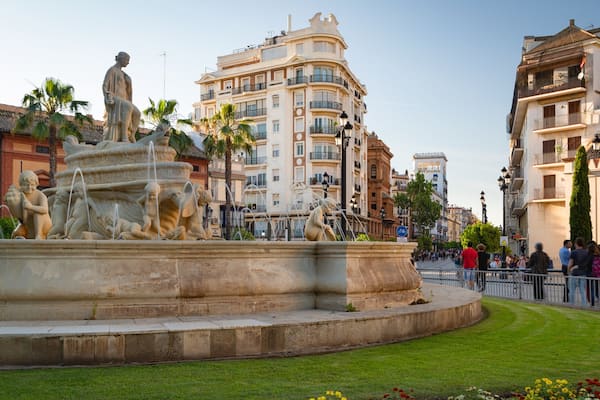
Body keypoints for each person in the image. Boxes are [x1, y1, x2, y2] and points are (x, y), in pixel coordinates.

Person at [103, 51, 141, 142]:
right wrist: (108, 95)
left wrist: (129, 81)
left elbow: (129, 91)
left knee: (137, 113)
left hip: (124, 100)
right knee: (128, 106)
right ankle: (124, 137)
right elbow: (105, 85)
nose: (128, 62)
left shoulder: (124, 75)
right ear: (121, 59)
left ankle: (131, 134)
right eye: (127, 60)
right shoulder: (112, 70)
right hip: (115, 98)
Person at [4, 171, 52, 239]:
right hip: (27, 226)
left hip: (43, 226)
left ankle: (39, 235)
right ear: (21, 184)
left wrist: (31, 207)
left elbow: (45, 209)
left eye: (32, 185)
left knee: (38, 213)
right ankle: (20, 238)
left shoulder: (40, 195)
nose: (29, 187)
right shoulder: (20, 193)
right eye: (26, 185)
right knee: (16, 234)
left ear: (36, 184)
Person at [568, 237, 589, 307]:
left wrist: (569, 270)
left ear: (576, 244)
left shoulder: (573, 252)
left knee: (572, 290)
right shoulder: (587, 252)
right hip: (583, 273)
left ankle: (572, 304)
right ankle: (584, 304)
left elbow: (570, 263)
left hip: (574, 273)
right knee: (582, 290)